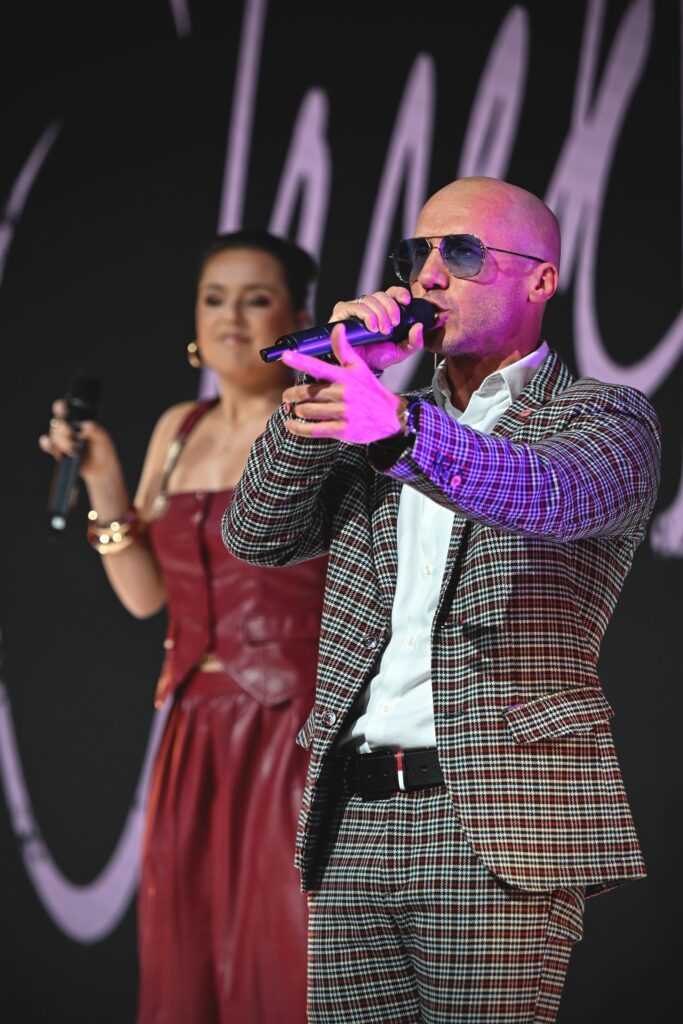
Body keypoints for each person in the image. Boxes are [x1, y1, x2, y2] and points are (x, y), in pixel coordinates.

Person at [222, 178, 662, 1024]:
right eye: (414, 254)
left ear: (540, 280)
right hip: (352, 813)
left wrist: (394, 427)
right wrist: (334, 383)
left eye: (460, 253)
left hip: (493, 820)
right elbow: (257, 533)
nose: (427, 275)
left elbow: (542, 494)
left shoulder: (605, 418)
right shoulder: (385, 415)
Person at [39, 230, 326, 1024]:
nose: (231, 317)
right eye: (213, 299)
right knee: (186, 960)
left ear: (298, 318)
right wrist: (103, 480)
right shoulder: (179, 426)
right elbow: (146, 599)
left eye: (256, 299)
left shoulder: (320, 422)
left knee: (284, 958)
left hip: (295, 730)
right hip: (192, 727)